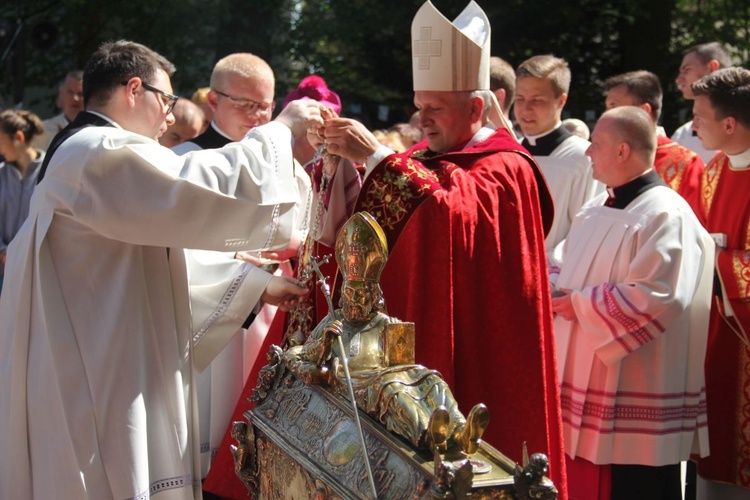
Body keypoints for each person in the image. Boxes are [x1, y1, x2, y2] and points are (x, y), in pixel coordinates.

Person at [0, 39, 324, 499]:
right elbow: (191, 184)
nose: (171, 116)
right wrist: (279, 131)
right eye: (166, 101)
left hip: (102, 359)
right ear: (135, 89)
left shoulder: (81, 153)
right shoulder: (96, 150)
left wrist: (254, 284)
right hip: (93, 378)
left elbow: (147, 259)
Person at [315, 1, 568, 495]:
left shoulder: (507, 167)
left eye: (435, 108)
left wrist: (374, 154)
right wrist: (343, 163)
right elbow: (380, 213)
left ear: (476, 108)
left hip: (478, 351)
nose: (421, 119)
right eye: (419, 105)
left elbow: (449, 216)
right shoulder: (421, 158)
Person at [550, 106, 714, 500]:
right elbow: (561, 260)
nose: (588, 152)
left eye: (597, 144)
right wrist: (553, 286)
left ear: (623, 151)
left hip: (635, 386)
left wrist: (581, 305)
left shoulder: (666, 214)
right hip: (584, 379)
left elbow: (659, 295)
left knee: (637, 488)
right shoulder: (595, 209)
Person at [172, 52, 311, 481]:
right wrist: (237, 263)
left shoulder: (287, 169)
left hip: (270, 314)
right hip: (209, 317)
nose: (256, 116)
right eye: (244, 104)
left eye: (264, 106)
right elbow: (174, 249)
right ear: (213, 100)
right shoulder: (184, 161)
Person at [284, 211, 489, 454]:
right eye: (350, 294)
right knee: (392, 390)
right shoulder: (333, 320)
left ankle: (460, 430)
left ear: (373, 298)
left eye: (361, 296)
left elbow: (404, 366)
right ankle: (428, 435)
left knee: (432, 379)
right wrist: (324, 346)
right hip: (357, 385)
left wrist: (410, 362)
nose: (355, 301)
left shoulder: (385, 322)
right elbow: (294, 354)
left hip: (384, 376)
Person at [690, 66, 750, 500]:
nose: (693, 125)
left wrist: (715, 258)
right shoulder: (712, 172)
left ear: (729, 124)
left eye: (699, 116)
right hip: (715, 331)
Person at [515, 54, 603, 260]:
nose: (526, 109)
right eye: (520, 99)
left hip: (553, 277)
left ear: (561, 100)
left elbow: (586, 232)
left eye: (537, 100)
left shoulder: (583, 158)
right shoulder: (510, 152)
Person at [603, 70, 704, 206]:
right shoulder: (605, 156)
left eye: (613, 106)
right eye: (607, 107)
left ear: (644, 110)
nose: (606, 115)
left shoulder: (686, 164)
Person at [0, 109, 46, 292]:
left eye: (1, 142)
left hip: (37, 273)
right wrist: (4, 253)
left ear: (18, 137)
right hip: (3, 273)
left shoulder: (50, 173)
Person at [673, 42, 732, 163]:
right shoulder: (683, 135)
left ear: (712, 68)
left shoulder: (745, 124)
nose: (678, 79)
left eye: (687, 70)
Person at [31, 70, 84, 150]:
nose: (75, 98)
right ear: (60, 97)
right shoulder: (43, 132)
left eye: (80, 94)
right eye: (70, 92)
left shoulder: (99, 130)